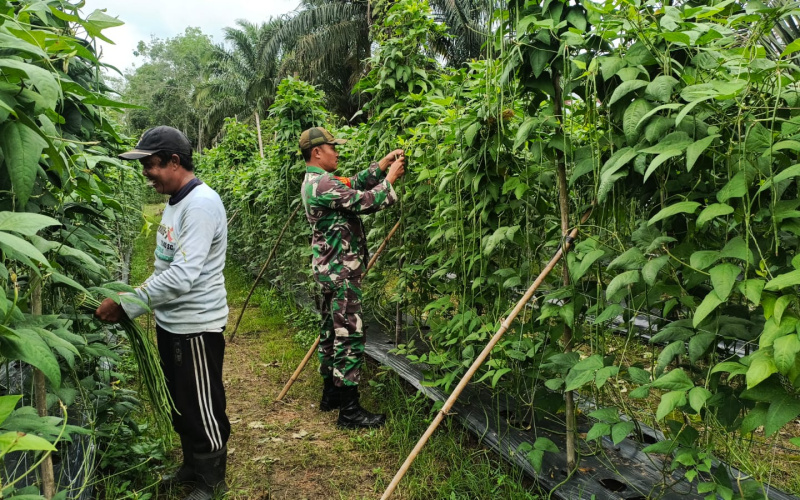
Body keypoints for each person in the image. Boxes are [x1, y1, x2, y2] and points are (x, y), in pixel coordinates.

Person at [95, 126, 230, 500]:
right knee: (182, 401)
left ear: (174, 161)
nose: (146, 174)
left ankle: (211, 480)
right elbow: (166, 266)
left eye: (150, 165)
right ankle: (192, 463)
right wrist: (134, 292)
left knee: (202, 403)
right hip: (173, 321)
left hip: (196, 325)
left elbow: (183, 276)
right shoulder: (176, 202)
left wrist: (127, 304)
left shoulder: (200, 204)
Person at [299, 126, 405, 429]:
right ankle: (350, 411)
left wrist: (382, 164)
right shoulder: (323, 185)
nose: (337, 151)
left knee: (332, 332)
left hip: (328, 270)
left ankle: (330, 395)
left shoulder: (318, 181)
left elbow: (354, 184)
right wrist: (391, 179)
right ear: (317, 152)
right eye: (333, 147)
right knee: (348, 334)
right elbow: (365, 201)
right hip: (341, 271)